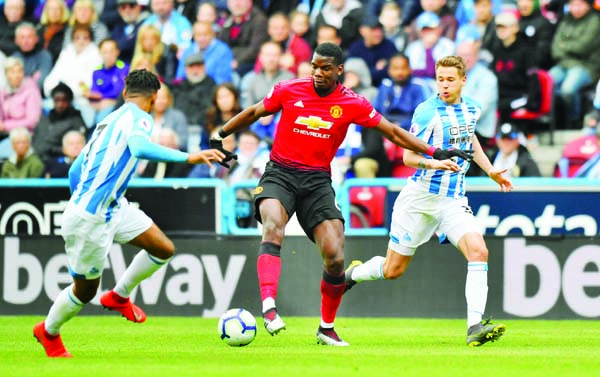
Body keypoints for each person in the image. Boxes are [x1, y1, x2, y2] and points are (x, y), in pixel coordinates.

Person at [208, 42, 473, 346]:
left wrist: (434, 150)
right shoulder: (288, 89)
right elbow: (255, 111)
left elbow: (394, 133)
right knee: (272, 226)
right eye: (314, 66)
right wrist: (220, 135)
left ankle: (326, 327)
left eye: (324, 68)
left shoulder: (353, 103)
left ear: (339, 70)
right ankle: (268, 307)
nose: (317, 73)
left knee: (335, 255)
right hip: (280, 173)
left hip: (317, 181)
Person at [33, 69, 225, 358]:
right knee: (84, 291)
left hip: (113, 206)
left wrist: (89, 196)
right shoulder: (141, 118)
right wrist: (188, 155)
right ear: (155, 98)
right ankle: (48, 332)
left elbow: (75, 170)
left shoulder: (107, 120)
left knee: (162, 248)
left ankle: (119, 295)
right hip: (90, 217)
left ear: (125, 93)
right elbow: (138, 147)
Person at [344, 55, 512, 347]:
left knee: (478, 251)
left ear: (463, 80)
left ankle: (474, 326)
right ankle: (354, 273)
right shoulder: (426, 112)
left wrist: (490, 171)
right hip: (419, 199)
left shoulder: (472, 109)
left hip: (453, 199)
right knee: (392, 270)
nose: (444, 85)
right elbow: (408, 156)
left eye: (450, 79)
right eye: (440, 79)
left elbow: (471, 142)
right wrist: (437, 164)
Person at [32, 82, 87, 163]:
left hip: (60, 163)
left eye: (64, 100)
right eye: (57, 100)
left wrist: (50, 149)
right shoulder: (45, 119)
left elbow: (78, 147)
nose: (60, 104)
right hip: (37, 160)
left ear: (69, 101)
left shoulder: (76, 120)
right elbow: (35, 140)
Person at [11, 22, 53, 90]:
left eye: (29, 37)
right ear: (16, 40)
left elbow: (39, 82)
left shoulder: (45, 56)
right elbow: (11, 83)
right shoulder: (13, 58)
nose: (26, 41)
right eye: (22, 37)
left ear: (36, 39)